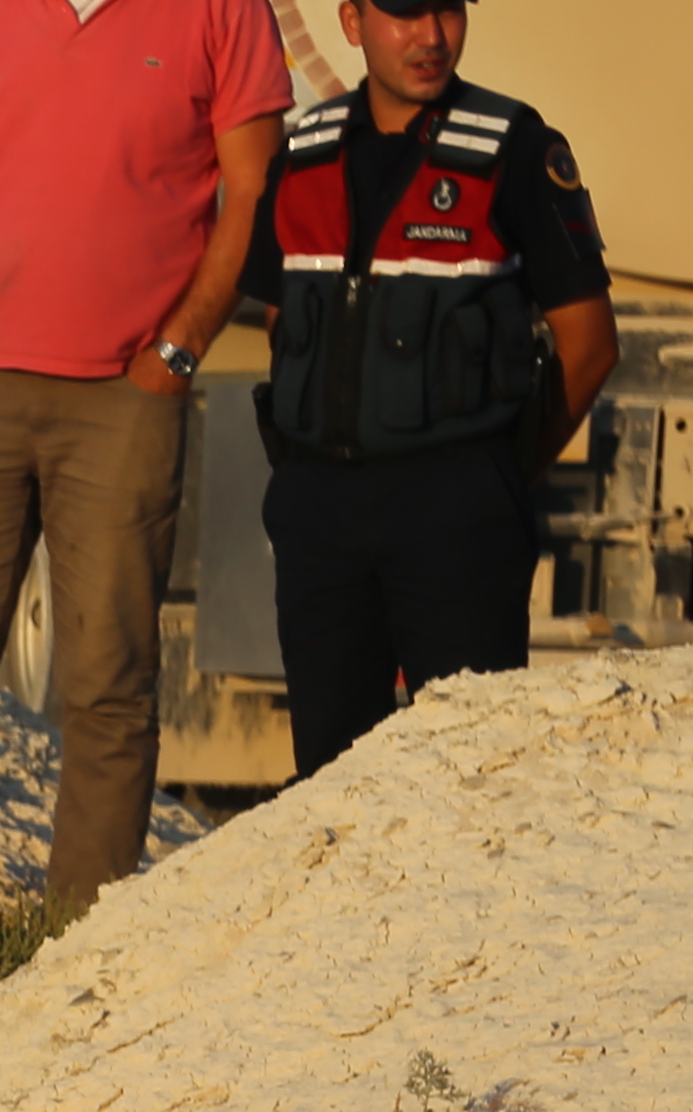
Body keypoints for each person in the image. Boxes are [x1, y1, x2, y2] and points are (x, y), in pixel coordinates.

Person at [0, 0, 292, 916]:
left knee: (108, 686)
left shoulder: (223, 9)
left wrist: (177, 351)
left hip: (120, 401)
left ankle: (80, 947)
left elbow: (254, 192)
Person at [245, 1, 619, 776]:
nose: (432, 36)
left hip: (457, 516)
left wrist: (498, 479)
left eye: (447, 9)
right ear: (352, 22)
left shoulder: (514, 148)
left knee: (469, 781)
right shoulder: (303, 153)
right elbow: (284, 323)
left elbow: (589, 347)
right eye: (405, 12)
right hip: (321, 518)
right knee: (329, 781)